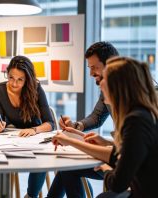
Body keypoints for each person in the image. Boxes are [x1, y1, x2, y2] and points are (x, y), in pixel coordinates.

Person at [51, 56, 158, 198]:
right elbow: (130, 154)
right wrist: (102, 142)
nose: (100, 84)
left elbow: (117, 183)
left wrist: (106, 168)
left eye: (104, 79)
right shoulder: (142, 113)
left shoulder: (135, 120)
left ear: (118, 86)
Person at [47, 41, 119, 198]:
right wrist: (77, 126)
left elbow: (132, 151)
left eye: (94, 67)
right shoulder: (107, 88)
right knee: (67, 167)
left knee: (68, 167)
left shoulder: (133, 103)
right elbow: (96, 117)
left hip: (127, 169)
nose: (91, 73)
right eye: (90, 68)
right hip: (121, 157)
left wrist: (73, 141)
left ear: (110, 65)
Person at [0, 55, 55, 198]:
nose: (14, 84)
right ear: (7, 73)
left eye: (20, 80)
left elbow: (50, 124)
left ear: (27, 79)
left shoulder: (35, 88)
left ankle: (30, 195)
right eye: (11, 77)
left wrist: (34, 130)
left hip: (35, 138)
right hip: (13, 138)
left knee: (40, 159)